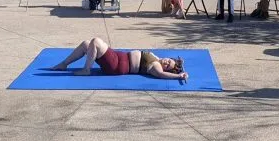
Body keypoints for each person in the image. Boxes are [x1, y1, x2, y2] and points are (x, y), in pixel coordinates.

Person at [51, 37, 188, 81]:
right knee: (87, 44)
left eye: (167, 65)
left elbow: (162, 74)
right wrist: (179, 63)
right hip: (117, 56)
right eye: (168, 61)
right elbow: (174, 63)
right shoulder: (157, 58)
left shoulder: (155, 67)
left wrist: (178, 76)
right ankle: (64, 64)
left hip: (116, 65)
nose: (165, 63)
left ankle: (86, 69)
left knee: (95, 41)